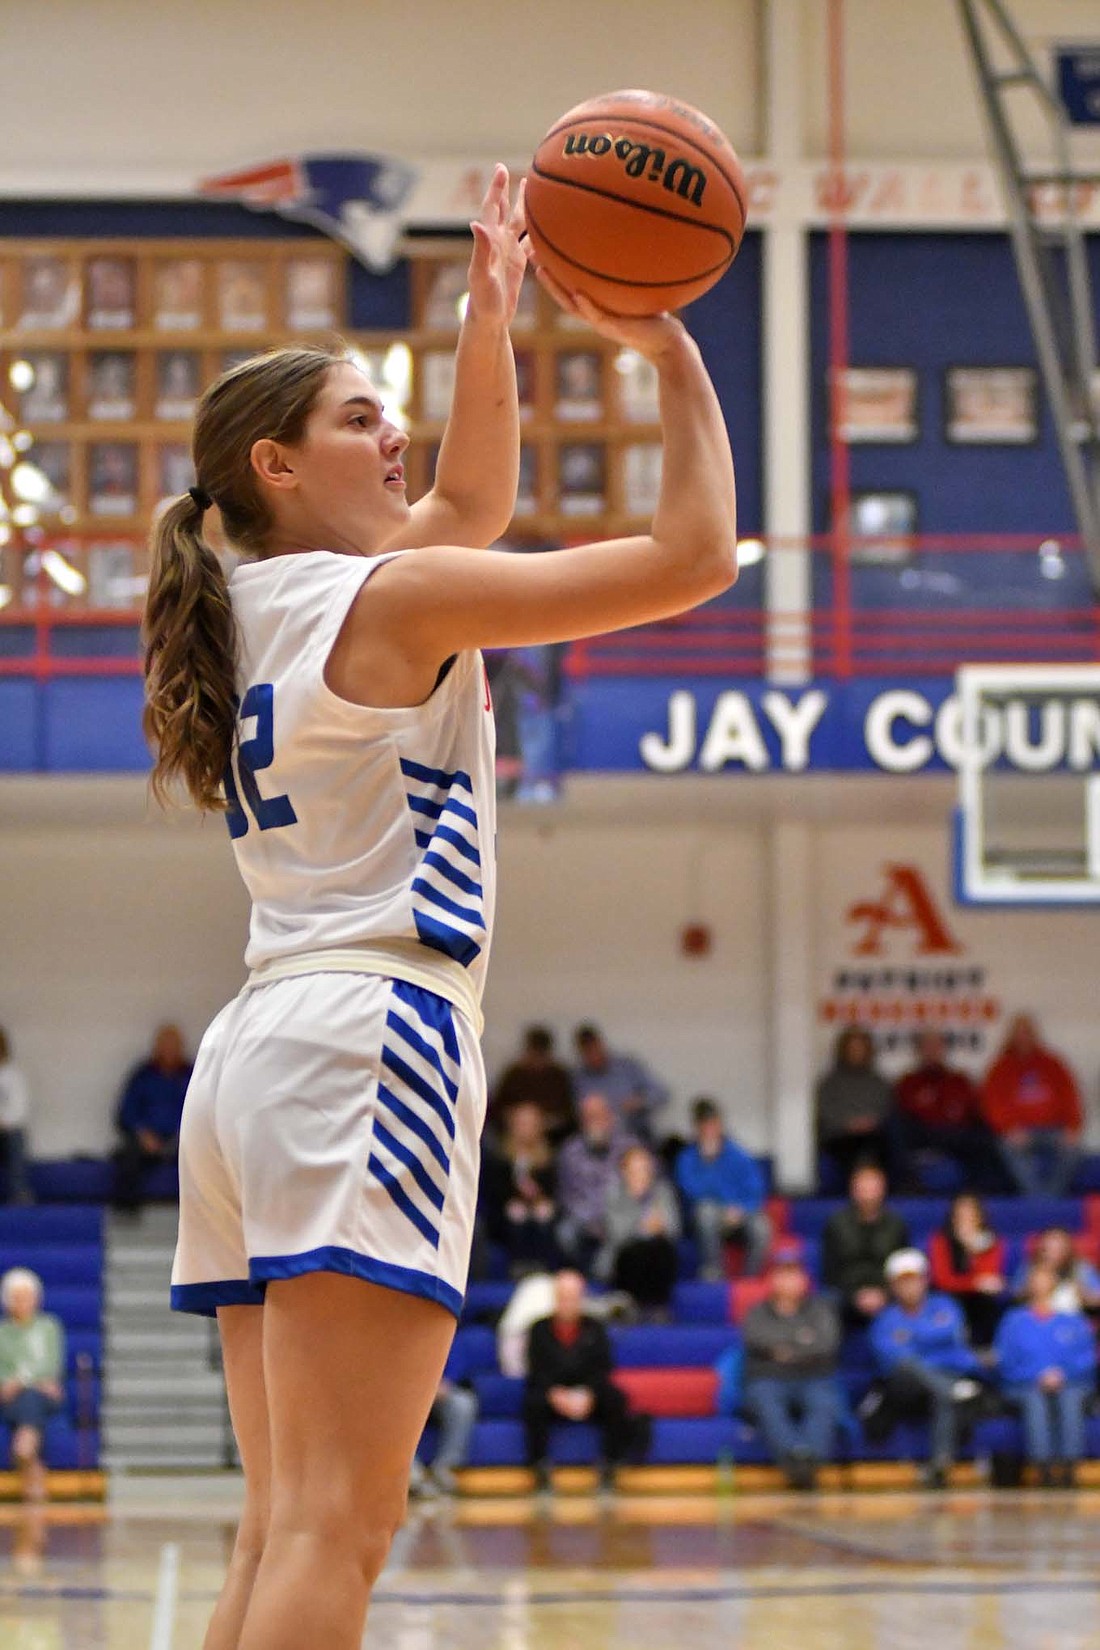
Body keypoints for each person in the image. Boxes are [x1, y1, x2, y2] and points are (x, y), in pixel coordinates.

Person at [141, 160, 737, 1650]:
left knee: (285, 1525)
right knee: (340, 1526)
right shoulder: (390, 604)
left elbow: (475, 497)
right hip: (372, 1038)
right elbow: (693, 558)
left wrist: (493, 304)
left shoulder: (258, 601)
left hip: (261, 1052)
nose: (391, 433)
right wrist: (666, 345)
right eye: (358, 417)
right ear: (276, 466)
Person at [866, 1250, 984, 1488]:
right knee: (911, 1369)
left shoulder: (945, 1306)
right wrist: (932, 1346)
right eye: (903, 1282)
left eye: (915, 1279)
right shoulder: (885, 1319)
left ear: (925, 1280)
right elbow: (892, 1358)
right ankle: (950, 1390)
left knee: (941, 1394)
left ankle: (940, 1463)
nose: (910, 1287)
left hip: (944, 1380)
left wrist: (913, 1340)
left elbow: (953, 1338)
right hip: (906, 1389)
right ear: (893, 1286)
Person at [522, 1270, 646, 1491]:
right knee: (532, 1402)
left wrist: (590, 1393)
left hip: (589, 1393)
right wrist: (554, 1393)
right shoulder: (538, 1329)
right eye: (563, 1297)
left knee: (616, 1399)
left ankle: (610, 1465)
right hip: (553, 1394)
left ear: (581, 1298)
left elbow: (604, 1367)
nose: (567, 1303)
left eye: (572, 1297)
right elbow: (535, 1370)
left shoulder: (595, 1328)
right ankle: (540, 1467)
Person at [741, 1242, 842, 1489]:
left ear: (804, 1279)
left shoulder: (820, 1310)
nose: (788, 1280)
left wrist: (785, 1350)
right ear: (772, 1279)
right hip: (769, 1378)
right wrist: (801, 1342)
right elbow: (756, 1339)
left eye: (794, 1273)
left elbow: (826, 1344)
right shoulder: (757, 1312)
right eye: (783, 1273)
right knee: (766, 1401)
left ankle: (808, 1459)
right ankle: (796, 1455)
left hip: (812, 1377)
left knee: (825, 1402)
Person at [995, 1261, 1098, 1487]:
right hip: (1025, 1384)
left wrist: (1063, 1374)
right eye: (1036, 1277)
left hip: (1071, 1383)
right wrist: (1036, 1375)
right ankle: (1043, 1468)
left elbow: (1087, 1357)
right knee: (1035, 1400)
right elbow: (1005, 1359)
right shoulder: (1013, 1321)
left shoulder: (1072, 1320)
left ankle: (1069, 1467)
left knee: (1070, 1399)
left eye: (1046, 1277)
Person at [981, 1014, 1083, 1197]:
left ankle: (1047, 1198)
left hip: (1054, 1130)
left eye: (1027, 1033)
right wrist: (1008, 1128)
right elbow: (992, 1104)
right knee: (1007, 1146)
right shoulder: (1000, 1067)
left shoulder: (1053, 1064)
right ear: (1011, 1037)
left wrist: (1072, 1127)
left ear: (1035, 1035)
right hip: (1018, 1132)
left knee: (1073, 1148)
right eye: (1019, 1034)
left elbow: (1070, 1097)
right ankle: (1040, 1199)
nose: (1023, 1038)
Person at [675, 1097, 770, 1280]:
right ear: (697, 1127)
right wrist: (709, 1163)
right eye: (705, 1124)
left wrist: (741, 1209)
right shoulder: (687, 1158)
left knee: (762, 1227)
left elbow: (756, 1189)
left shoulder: (738, 1154)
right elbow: (691, 1191)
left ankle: (750, 1278)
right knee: (706, 1213)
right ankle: (714, 1273)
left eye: (714, 1123)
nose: (710, 1129)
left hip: (739, 1214)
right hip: (707, 1217)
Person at [894, 1029, 993, 1189]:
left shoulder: (960, 1081)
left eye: (937, 1046)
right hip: (925, 1147)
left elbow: (977, 1119)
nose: (932, 1051)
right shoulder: (908, 1084)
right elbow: (903, 1126)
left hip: (961, 1146)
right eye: (927, 1046)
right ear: (919, 1050)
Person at [0, 1269, 66, 1505]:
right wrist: (23, 1381)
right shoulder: (2, 1333)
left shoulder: (49, 1327)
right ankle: (33, 1467)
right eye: (17, 1297)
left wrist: (21, 1380)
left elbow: (51, 1365)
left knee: (30, 1397)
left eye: (28, 1296)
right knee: (26, 1397)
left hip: (44, 1395)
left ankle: (26, 1448)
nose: (23, 1303)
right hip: (10, 1398)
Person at [113, 1023, 192, 1212]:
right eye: (165, 1045)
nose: (169, 1050)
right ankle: (127, 1220)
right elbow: (125, 1112)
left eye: (174, 1045)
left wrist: (183, 1134)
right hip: (147, 1142)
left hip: (183, 1142)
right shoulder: (142, 1075)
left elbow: (205, 1110)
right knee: (126, 1159)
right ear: (156, 1047)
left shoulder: (193, 1074)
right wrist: (143, 1134)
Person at [556, 1092, 637, 1273]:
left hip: (622, 1214)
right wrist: (592, 1220)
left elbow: (642, 1186)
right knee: (565, 1233)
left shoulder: (629, 1147)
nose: (595, 1121)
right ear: (581, 1121)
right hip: (583, 1219)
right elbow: (567, 1196)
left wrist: (611, 1219)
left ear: (611, 1116)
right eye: (589, 1117)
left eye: (600, 1115)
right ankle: (580, 1280)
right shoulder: (570, 1152)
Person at [479, 1099, 562, 1277]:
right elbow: (495, 1193)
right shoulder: (500, 1157)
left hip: (538, 1206)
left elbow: (553, 1190)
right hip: (507, 1210)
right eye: (522, 1124)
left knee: (544, 1212)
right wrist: (517, 1195)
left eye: (531, 1124)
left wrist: (537, 1195)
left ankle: (543, 1266)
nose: (526, 1129)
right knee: (516, 1212)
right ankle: (517, 1266)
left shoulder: (547, 1158)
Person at [596, 1143, 681, 1317]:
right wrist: (640, 1221)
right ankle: (631, 1306)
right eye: (636, 1170)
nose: (642, 1175)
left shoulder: (662, 1191)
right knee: (636, 1251)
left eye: (645, 1169)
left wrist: (662, 1227)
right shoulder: (613, 1195)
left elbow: (675, 1229)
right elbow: (617, 1234)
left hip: (655, 1254)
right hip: (624, 1256)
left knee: (661, 1248)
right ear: (624, 1172)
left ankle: (659, 1307)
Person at [821, 1162, 909, 1326]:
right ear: (853, 1189)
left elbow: (902, 1267)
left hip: (887, 1293)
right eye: (863, 1186)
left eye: (873, 1186)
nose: (868, 1193)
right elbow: (830, 1271)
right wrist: (855, 1295)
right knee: (827, 1302)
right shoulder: (836, 1224)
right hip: (846, 1294)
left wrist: (884, 1294)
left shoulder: (897, 1224)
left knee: (910, 1295)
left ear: (883, 1189)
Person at [815, 1027, 897, 1188]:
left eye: (860, 1047)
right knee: (852, 1151)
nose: (856, 1052)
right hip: (840, 1138)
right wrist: (849, 1125)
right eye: (852, 1048)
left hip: (873, 1136)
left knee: (886, 1144)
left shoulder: (879, 1082)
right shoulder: (830, 1083)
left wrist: (870, 1123)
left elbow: (887, 1111)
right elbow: (825, 1115)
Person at [928, 1193, 1007, 1349]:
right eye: (961, 1215)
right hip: (949, 1296)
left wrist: (972, 1253)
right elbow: (943, 1281)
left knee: (989, 1305)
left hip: (979, 1301)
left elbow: (989, 1279)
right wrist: (973, 1283)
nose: (966, 1220)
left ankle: (985, 1351)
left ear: (980, 1218)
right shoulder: (941, 1241)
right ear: (952, 1218)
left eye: (971, 1215)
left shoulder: (992, 1242)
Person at [572, 1023, 669, 1142]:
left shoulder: (627, 1066)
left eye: (594, 1049)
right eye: (587, 1052)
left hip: (635, 1133)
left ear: (601, 1045)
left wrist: (639, 1102)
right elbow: (579, 1114)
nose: (593, 1056)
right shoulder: (579, 1078)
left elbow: (661, 1093)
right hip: (600, 1140)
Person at [490, 1025, 575, 1142]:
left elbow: (567, 1113)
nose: (536, 1059)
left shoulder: (559, 1076)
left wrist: (542, 1123)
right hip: (514, 1134)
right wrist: (519, 1119)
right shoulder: (514, 1075)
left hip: (552, 1137)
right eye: (534, 1052)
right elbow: (498, 1109)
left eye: (541, 1054)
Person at [409, 1375, 479, 1498]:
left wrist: (441, 1384)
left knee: (462, 1403)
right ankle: (410, 1473)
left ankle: (445, 1468)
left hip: (440, 1389)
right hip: (402, 1392)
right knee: (390, 1404)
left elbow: (458, 1366)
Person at [1011, 1228, 1100, 1317]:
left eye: (1059, 1248)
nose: (1054, 1252)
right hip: (1034, 1320)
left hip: (1073, 1321)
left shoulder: (1081, 1268)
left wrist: (1083, 1294)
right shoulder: (1029, 1267)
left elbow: (1097, 1298)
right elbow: (1015, 1296)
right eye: (1049, 1248)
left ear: (1068, 1249)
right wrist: (1034, 1288)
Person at [0, 1028, 32, 1205]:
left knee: (15, 1137)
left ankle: (19, 1195)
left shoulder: (13, 1075)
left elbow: (19, 1111)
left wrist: (3, 1122)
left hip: (6, 1132)